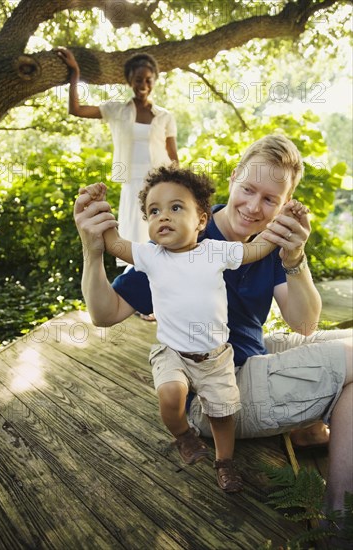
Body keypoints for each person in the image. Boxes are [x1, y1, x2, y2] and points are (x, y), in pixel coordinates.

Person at [74, 134, 352, 515]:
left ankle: (312, 427)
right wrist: (93, 251)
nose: (255, 207)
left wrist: (295, 257)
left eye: (270, 199)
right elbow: (105, 313)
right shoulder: (183, 233)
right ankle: (339, 515)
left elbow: (304, 323)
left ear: (285, 203)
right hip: (213, 392)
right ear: (234, 176)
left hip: (252, 354)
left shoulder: (270, 243)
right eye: (249, 189)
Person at [56, 47, 178, 266]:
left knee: (162, 235)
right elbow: (76, 109)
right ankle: (134, 288)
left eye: (149, 80)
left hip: (161, 183)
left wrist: (181, 188)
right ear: (130, 80)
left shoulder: (165, 116)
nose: (144, 85)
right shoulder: (117, 111)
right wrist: (75, 73)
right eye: (139, 79)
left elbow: (173, 157)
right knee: (135, 240)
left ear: (154, 81)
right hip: (132, 183)